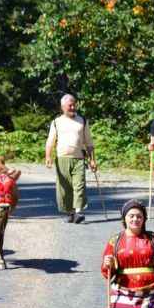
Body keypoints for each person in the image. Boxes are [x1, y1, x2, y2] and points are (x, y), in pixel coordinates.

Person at [45, 94, 97, 224]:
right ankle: (70, 212)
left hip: (79, 158)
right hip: (62, 158)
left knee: (79, 185)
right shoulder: (57, 122)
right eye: (70, 105)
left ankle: (78, 212)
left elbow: (89, 142)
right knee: (65, 188)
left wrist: (92, 160)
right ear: (63, 107)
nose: (73, 107)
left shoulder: (82, 120)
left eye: (74, 104)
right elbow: (50, 141)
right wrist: (48, 156)